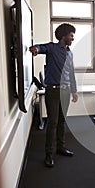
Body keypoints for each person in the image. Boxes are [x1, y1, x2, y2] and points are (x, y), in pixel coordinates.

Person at [29, 23, 78, 167]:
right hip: (53, 91)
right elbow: (40, 47)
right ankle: (49, 154)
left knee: (62, 121)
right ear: (63, 35)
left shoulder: (70, 52)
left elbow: (72, 73)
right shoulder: (52, 48)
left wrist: (74, 91)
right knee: (53, 122)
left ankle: (60, 148)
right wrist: (35, 49)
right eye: (71, 35)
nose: (73, 38)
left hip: (66, 91)